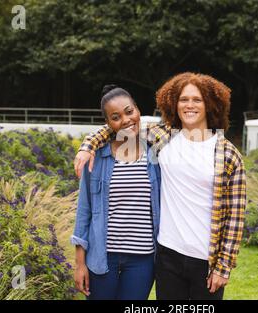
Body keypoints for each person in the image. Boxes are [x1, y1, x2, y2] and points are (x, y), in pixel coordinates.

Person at [74, 72, 246, 300]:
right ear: (174, 104)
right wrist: (88, 146)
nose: (189, 105)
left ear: (210, 104)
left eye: (197, 99)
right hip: (167, 256)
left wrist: (223, 266)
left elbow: (235, 217)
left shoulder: (229, 155)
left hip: (206, 259)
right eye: (184, 99)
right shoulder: (162, 138)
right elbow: (118, 126)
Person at [70, 85, 161, 300]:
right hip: (102, 259)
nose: (126, 120)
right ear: (108, 124)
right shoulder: (97, 158)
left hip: (143, 261)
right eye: (116, 117)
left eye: (129, 112)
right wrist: (80, 264)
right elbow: (84, 212)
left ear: (138, 110)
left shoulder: (156, 153)